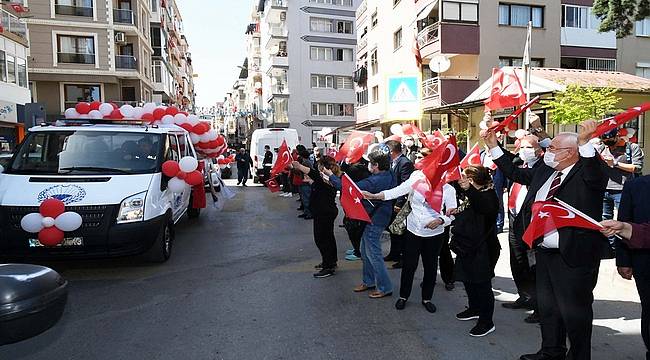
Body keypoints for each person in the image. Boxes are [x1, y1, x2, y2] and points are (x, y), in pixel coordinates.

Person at [484, 120, 609, 360]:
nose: (546, 151)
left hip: (573, 256)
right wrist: (493, 146)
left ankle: (580, 356)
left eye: (552, 148)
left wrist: (584, 141)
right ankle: (551, 351)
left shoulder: (588, 173)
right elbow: (516, 173)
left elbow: (595, 172)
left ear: (570, 153)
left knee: (575, 312)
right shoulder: (546, 170)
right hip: (544, 252)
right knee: (548, 308)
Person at [363, 147, 457, 313]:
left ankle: (427, 298)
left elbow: (452, 214)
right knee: (409, 265)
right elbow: (398, 190)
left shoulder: (448, 189)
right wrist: (375, 196)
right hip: (413, 230)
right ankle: (403, 296)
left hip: (434, 234)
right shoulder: (417, 177)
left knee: (430, 267)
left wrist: (441, 220)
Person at [326, 148, 397, 298]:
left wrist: (331, 175)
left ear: (376, 165)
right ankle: (369, 281)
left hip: (374, 219)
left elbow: (347, 189)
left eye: (371, 163)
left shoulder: (374, 180)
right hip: (379, 216)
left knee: (373, 255)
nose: (368, 166)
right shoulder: (390, 174)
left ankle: (385, 287)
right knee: (365, 252)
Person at [603, 174, 650, 360]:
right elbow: (625, 219)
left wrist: (626, 228)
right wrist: (623, 260)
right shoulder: (636, 186)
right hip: (644, 262)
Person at [449, 165, 500, 337]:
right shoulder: (472, 194)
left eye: (465, 177)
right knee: (468, 280)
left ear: (472, 180)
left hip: (483, 249)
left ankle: (487, 321)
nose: (462, 179)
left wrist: (469, 190)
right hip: (466, 246)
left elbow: (482, 207)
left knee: (482, 284)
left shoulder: (489, 196)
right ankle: (474, 308)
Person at [501, 134, 545, 324]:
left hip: (531, 224)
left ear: (538, 151)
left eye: (529, 148)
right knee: (517, 262)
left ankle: (539, 307)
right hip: (515, 219)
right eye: (522, 148)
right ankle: (525, 296)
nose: (524, 151)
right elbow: (507, 162)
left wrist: (539, 131)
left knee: (532, 266)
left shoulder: (542, 169)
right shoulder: (520, 165)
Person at [597, 128, 644, 256]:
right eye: (604, 140)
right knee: (605, 220)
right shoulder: (601, 148)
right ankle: (611, 249)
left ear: (617, 135)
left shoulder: (631, 148)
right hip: (604, 190)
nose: (607, 142)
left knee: (623, 221)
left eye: (610, 140)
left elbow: (637, 167)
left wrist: (615, 163)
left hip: (622, 190)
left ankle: (625, 250)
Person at [292, 156, 341, 278]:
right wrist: (311, 182)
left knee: (322, 239)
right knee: (328, 238)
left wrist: (299, 166)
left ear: (322, 167)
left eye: (318, 165)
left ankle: (328, 266)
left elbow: (313, 173)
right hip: (326, 211)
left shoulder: (325, 176)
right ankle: (330, 261)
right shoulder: (328, 178)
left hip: (324, 212)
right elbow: (319, 183)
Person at [383, 140, 415, 269]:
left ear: (391, 151)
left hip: (400, 202)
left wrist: (399, 203)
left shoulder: (405, 163)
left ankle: (403, 257)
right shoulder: (392, 162)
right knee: (393, 229)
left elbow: (404, 185)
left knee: (401, 231)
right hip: (391, 199)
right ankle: (394, 253)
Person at [340, 159, 371, 261]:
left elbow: (344, 182)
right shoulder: (363, 168)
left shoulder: (355, 170)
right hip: (355, 202)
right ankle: (357, 249)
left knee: (353, 228)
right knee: (355, 228)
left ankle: (358, 251)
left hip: (355, 202)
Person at [296, 145, 314, 220]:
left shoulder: (306, 162)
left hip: (306, 182)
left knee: (306, 198)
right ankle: (306, 212)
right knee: (304, 198)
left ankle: (309, 213)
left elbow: (302, 171)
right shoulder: (306, 161)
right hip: (304, 181)